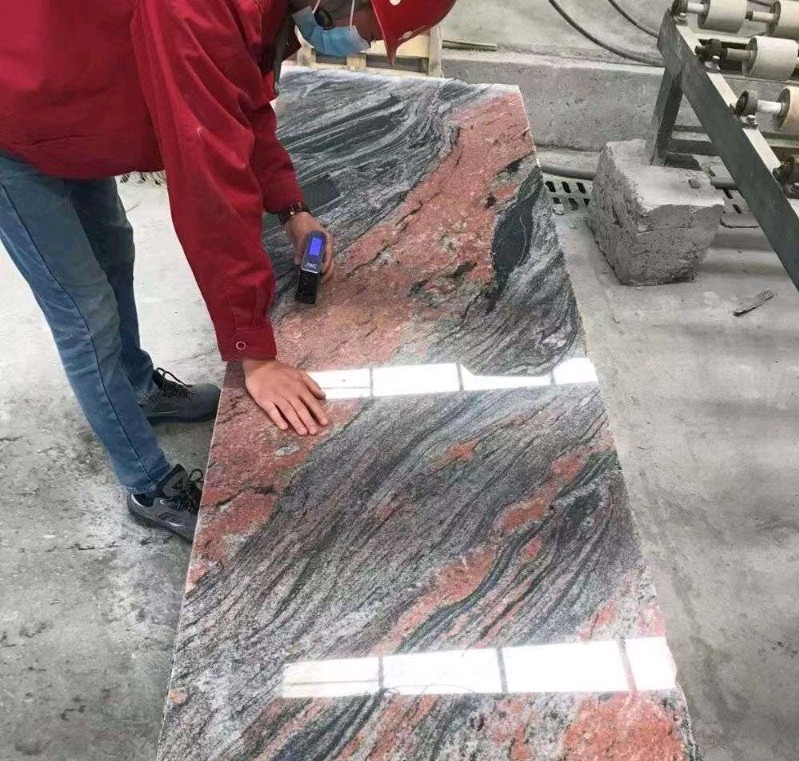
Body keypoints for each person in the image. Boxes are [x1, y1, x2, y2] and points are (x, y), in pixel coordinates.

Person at [0, 0, 457, 541]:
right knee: (86, 312)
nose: (363, 43)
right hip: (14, 128)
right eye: (369, 30)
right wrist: (253, 352)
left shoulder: (254, 9)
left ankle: (139, 387)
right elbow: (210, 184)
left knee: (115, 252)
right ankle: (149, 484)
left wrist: (291, 208)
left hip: (68, 113)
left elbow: (243, 105)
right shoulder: (196, 9)